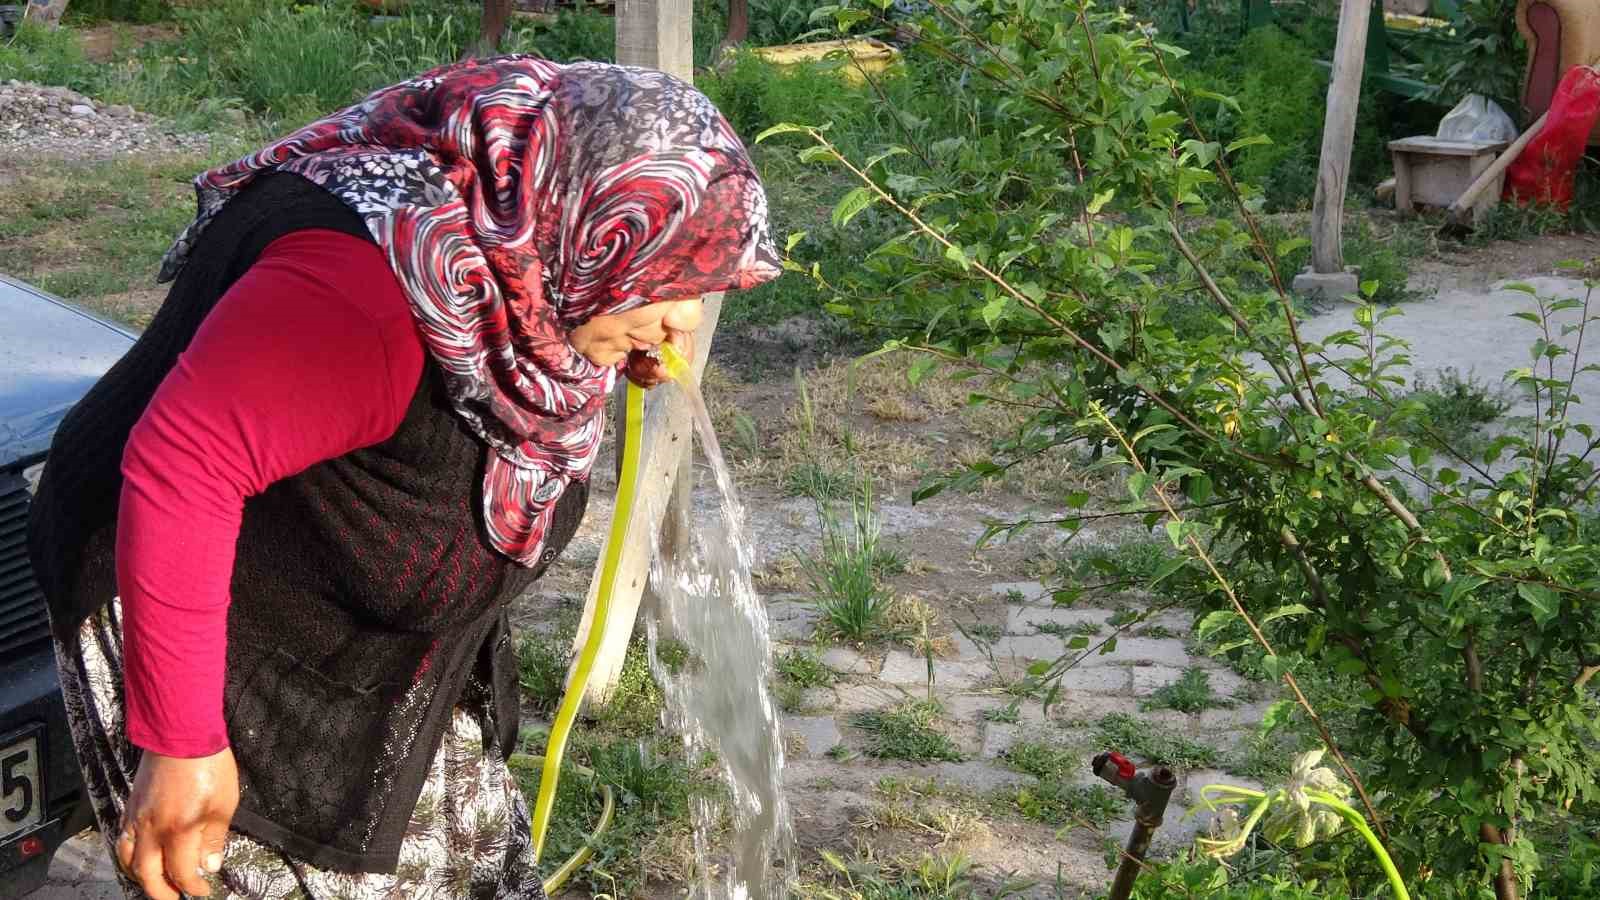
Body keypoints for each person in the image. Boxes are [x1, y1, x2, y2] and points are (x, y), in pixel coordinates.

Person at [27, 56, 779, 900]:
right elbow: (181, 470)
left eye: (701, 288)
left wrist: (607, 332)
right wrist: (182, 740)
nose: (682, 321)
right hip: (205, 610)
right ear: (580, 225)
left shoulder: (530, 249)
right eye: (660, 283)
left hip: (360, 610)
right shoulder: (366, 296)